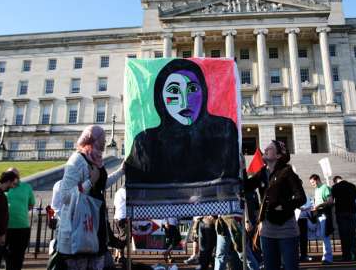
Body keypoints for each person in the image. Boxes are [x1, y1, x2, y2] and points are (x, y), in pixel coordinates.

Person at [124, 59, 240, 203]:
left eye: (192, 89)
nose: (184, 101)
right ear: (160, 97)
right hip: (163, 216)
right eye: (174, 90)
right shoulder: (145, 141)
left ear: (203, 93)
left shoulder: (224, 130)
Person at [57, 125, 124, 270]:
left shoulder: (97, 160)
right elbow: (65, 196)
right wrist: (89, 182)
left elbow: (101, 184)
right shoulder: (76, 160)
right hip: (80, 226)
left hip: (97, 224)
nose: (105, 141)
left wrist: (121, 171)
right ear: (93, 139)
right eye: (102, 138)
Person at [245, 140, 306, 270]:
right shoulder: (262, 172)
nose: (265, 149)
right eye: (266, 147)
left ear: (278, 155)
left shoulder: (287, 172)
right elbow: (246, 187)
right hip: (267, 228)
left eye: (270, 148)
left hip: (286, 228)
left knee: (290, 266)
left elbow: (301, 198)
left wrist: (283, 206)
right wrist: (241, 168)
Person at [1, 168, 35, 270]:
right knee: (6, 256)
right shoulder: (4, 187)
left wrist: (21, 211)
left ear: (18, 176)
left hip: (22, 227)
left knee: (19, 256)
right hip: (6, 227)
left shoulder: (27, 187)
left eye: (14, 175)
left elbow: (31, 204)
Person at [331, 175, 356, 261]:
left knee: (343, 235)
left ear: (335, 181)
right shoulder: (352, 185)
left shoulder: (335, 187)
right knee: (352, 234)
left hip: (341, 212)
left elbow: (331, 201)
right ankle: (354, 254)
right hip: (351, 212)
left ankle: (346, 255)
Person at [309, 174, 334, 265]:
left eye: (313, 182)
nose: (312, 184)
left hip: (324, 214)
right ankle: (326, 256)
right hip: (319, 214)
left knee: (325, 236)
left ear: (318, 179)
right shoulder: (316, 189)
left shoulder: (325, 187)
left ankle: (327, 257)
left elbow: (330, 201)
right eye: (311, 183)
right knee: (323, 236)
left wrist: (318, 206)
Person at [113, 186, 126, 264]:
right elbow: (128, 200)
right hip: (122, 217)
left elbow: (114, 204)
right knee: (124, 237)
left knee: (120, 237)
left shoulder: (117, 192)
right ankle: (121, 256)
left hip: (117, 216)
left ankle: (116, 255)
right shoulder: (124, 191)